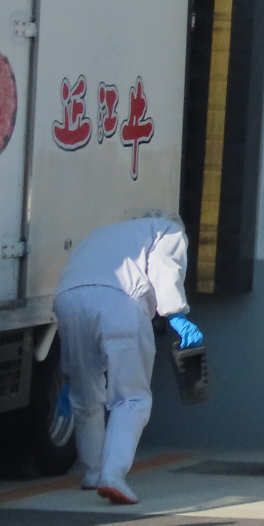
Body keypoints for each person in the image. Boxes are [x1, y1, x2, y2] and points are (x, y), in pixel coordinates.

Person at [52, 215, 201, 504]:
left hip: (68, 299)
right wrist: (176, 315)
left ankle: (93, 472)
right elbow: (164, 267)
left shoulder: (103, 232)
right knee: (131, 399)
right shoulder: (168, 229)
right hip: (120, 301)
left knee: (84, 396)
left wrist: (74, 374)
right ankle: (113, 476)